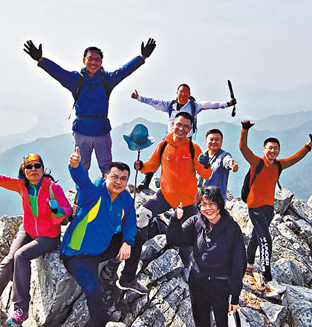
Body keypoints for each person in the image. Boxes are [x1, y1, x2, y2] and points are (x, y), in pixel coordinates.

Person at [0, 149, 72, 325]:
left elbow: (67, 209)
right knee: (10, 259)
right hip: (27, 230)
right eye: (29, 167)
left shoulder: (53, 188)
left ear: (43, 169)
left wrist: (57, 211)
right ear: (24, 170)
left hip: (48, 236)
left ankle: (21, 309)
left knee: (21, 256)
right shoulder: (21, 186)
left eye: (37, 166)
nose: (34, 169)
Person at [24, 39, 156, 174]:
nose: (93, 62)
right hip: (82, 131)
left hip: (101, 131)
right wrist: (41, 60)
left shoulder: (107, 80)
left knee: (106, 167)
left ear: (101, 62)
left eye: (97, 59)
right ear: (84, 60)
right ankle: (82, 193)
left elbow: (124, 71)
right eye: (90, 59)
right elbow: (58, 72)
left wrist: (141, 58)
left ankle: (108, 193)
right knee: (82, 167)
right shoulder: (76, 80)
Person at [167, 186, 247, 327]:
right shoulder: (196, 222)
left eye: (212, 203)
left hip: (221, 287)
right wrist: (175, 219)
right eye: (203, 204)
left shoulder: (232, 228)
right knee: (202, 326)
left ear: (220, 204)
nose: (208, 208)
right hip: (199, 282)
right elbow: (175, 238)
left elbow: (239, 264)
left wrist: (235, 297)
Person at [121, 111, 212, 285]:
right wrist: (142, 167)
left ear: (190, 129)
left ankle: (186, 267)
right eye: (179, 124)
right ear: (173, 124)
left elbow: (204, 173)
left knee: (187, 240)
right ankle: (138, 250)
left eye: (186, 126)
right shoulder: (163, 145)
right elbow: (152, 164)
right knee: (142, 214)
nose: (181, 129)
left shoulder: (194, 149)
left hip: (187, 202)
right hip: (165, 195)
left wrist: (206, 164)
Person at [60, 146, 138, 327]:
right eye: (115, 177)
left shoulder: (125, 199)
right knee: (94, 293)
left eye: (123, 178)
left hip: (101, 250)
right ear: (105, 176)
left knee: (139, 235)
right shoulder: (93, 192)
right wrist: (75, 166)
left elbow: (130, 223)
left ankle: (113, 271)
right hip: (78, 255)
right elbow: (81, 181)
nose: (118, 182)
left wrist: (127, 242)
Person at [239, 121, 312, 293]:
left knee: (256, 235)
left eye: (276, 148)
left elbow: (296, 158)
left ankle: (248, 264)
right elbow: (243, 149)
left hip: (268, 209)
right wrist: (244, 130)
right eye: (270, 148)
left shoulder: (278, 165)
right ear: (264, 149)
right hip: (254, 208)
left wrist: (310, 144)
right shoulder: (257, 163)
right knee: (265, 240)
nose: (273, 150)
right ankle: (266, 278)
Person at [131, 83, 236, 134]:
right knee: (158, 154)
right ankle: (148, 176)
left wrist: (227, 104)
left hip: (186, 139)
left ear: (189, 94)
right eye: (181, 92)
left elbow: (210, 104)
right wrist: (138, 97)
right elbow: (153, 101)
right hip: (170, 138)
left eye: (186, 92)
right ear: (177, 93)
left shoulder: (194, 106)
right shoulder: (170, 105)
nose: (183, 94)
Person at [200, 128, 239, 200]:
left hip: (216, 200)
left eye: (217, 140)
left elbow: (228, 161)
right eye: (211, 139)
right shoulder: (201, 155)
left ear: (221, 142)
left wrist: (232, 165)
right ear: (206, 141)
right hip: (199, 198)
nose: (214, 142)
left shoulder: (224, 156)